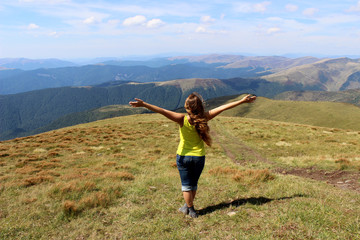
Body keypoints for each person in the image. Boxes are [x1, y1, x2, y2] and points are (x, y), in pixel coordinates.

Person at [129, 93, 256, 218]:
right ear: (200, 106)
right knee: (193, 184)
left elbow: (162, 110)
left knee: (186, 185)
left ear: (187, 107)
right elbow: (223, 107)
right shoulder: (205, 117)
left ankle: (191, 209)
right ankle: (187, 207)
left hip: (183, 156)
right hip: (199, 157)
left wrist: (143, 104)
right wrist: (242, 101)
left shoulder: (181, 119)